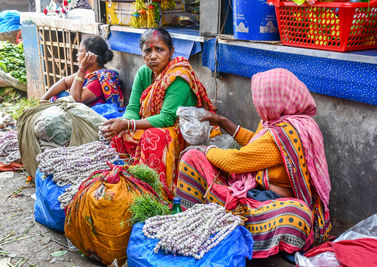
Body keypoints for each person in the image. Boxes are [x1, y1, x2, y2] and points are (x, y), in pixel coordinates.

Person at [175, 68, 332, 258]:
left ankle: (222, 225)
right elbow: (256, 145)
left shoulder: (282, 134)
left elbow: (235, 162)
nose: (256, 104)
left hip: (268, 202)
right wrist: (223, 122)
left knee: (297, 216)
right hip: (254, 192)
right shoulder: (279, 122)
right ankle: (206, 219)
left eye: (260, 99)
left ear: (275, 100)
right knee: (192, 159)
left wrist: (205, 149)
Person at [101, 28, 215, 201]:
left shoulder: (178, 75)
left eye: (159, 50)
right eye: (148, 51)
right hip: (154, 123)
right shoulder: (144, 73)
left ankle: (157, 193)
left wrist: (128, 124)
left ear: (171, 51)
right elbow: (132, 108)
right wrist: (124, 122)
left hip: (181, 131)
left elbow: (168, 118)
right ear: (141, 53)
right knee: (120, 134)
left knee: (152, 137)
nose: (153, 55)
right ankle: (129, 183)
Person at [40, 36, 124, 108]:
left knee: (61, 100)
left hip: (93, 120)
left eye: (80, 51)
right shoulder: (89, 72)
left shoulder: (98, 80)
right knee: (57, 95)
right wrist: (43, 99)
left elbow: (74, 101)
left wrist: (82, 69)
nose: (77, 55)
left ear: (90, 56)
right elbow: (65, 82)